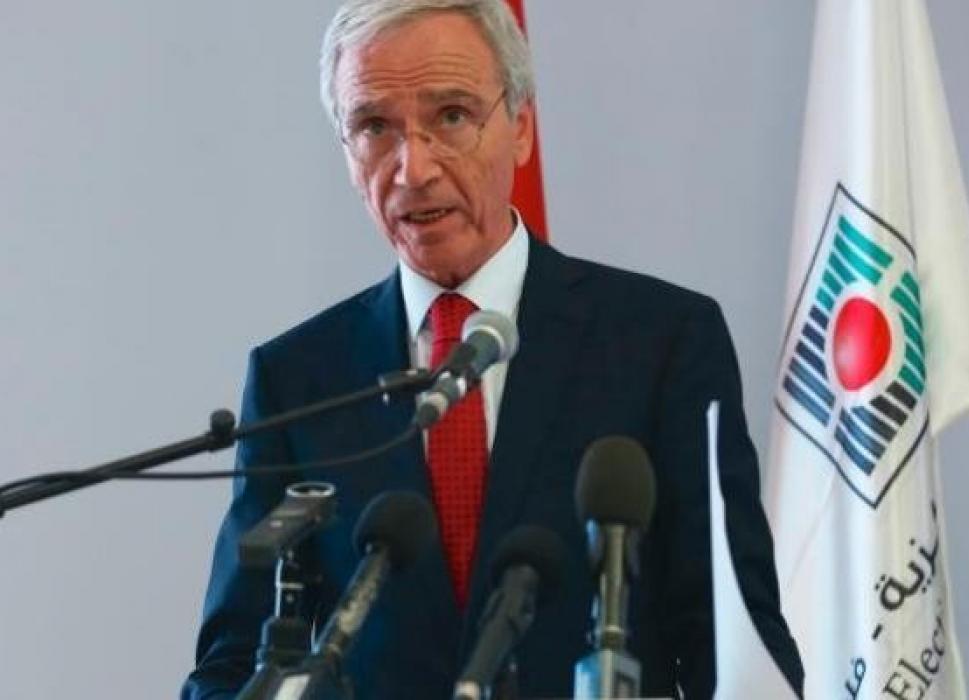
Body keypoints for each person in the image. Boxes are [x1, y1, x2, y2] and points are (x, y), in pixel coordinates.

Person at [182, 1, 803, 697]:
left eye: (452, 115)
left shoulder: (662, 343)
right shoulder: (298, 380)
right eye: (375, 127)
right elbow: (232, 662)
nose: (413, 169)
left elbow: (734, 638)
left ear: (521, 129)